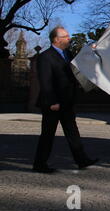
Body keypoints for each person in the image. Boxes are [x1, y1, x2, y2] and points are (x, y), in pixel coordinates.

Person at [32, 26, 98, 173]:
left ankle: (82, 160)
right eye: (66, 36)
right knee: (48, 135)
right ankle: (39, 164)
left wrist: (90, 50)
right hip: (53, 104)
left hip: (67, 102)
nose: (69, 38)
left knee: (72, 132)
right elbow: (45, 82)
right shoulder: (45, 57)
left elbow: (80, 62)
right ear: (56, 39)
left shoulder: (67, 53)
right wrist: (52, 102)